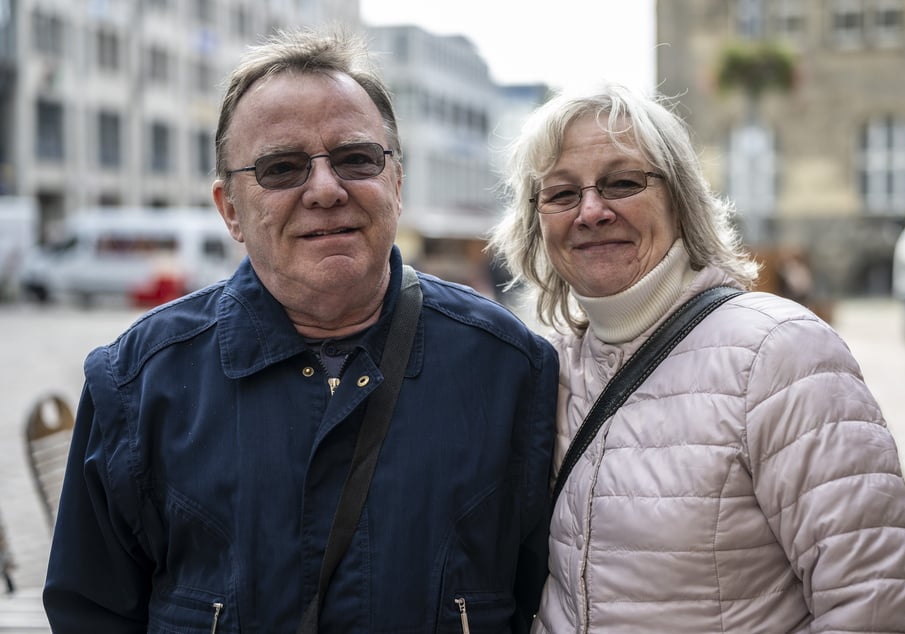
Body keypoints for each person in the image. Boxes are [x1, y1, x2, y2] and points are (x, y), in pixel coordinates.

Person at [44, 28, 558, 633]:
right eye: (281, 168)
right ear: (230, 208)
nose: (324, 189)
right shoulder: (137, 384)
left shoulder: (509, 369)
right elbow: (91, 613)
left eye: (355, 159)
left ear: (396, 182)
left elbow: (543, 600)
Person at [489, 84, 905, 632]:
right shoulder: (547, 370)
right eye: (560, 194)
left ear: (681, 200)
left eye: (623, 183)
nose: (592, 211)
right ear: (537, 221)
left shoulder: (779, 354)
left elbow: (876, 608)